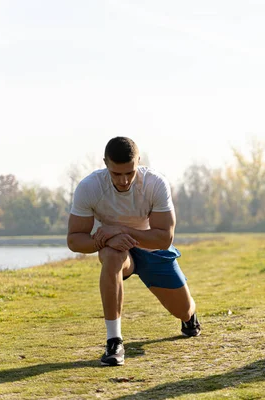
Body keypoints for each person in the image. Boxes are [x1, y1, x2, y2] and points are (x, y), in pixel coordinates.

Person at [67, 137, 201, 366]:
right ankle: (114, 342)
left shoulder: (154, 184)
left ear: (138, 161)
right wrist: (107, 238)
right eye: (116, 174)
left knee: (184, 310)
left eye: (129, 172)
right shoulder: (89, 187)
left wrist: (119, 229)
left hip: (151, 248)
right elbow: (74, 240)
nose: (124, 180)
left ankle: (189, 318)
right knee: (111, 257)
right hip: (117, 250)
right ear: (105, 164)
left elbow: (164, 238)